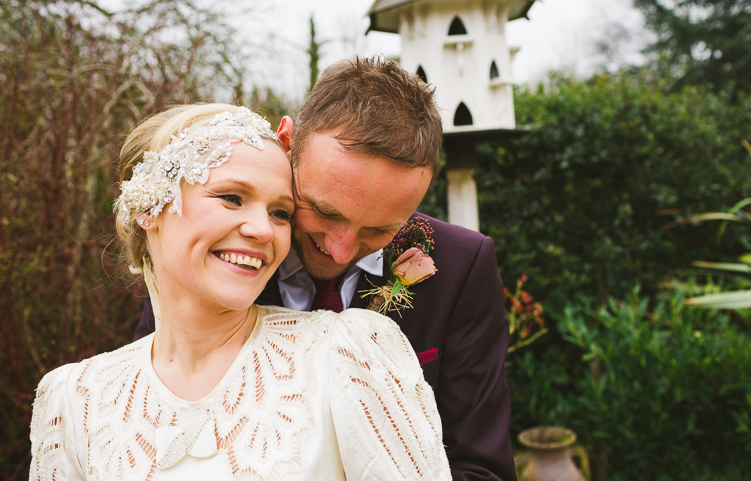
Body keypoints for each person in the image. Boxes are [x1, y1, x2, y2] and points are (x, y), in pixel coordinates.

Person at [135, 58, 517, 481]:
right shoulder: (211, 259)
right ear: (287, 144)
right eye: (322, 210)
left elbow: (483, 468)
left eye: (379, 229)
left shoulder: (463, 266)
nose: (339, 250)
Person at [29, 104, 452, 480]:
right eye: (232, 198)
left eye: (281, 213)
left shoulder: (348, 352)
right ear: (150, 209)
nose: (263, 230)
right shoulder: (74, 399)